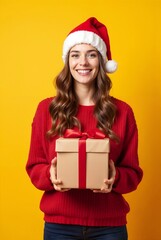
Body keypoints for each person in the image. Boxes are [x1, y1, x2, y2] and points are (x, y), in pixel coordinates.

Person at [26, 17, 143, 240]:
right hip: (59, 225)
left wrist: (114, 176)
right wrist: (49, 175)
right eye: (75, 54)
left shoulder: (123, 111)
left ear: (101, 61)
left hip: (110, 226)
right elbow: (33, 165)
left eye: (91, 54)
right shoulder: (46, 110)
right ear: (67, 61)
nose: (83, 62)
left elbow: (133, 173)